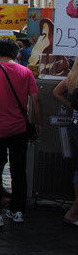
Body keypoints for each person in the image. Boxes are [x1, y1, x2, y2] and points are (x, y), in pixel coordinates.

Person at [0, 39, 41, 226]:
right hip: (19, 128)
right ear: (17, 53)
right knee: (18, 170)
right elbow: (36, 99)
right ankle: (18, 210)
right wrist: (38, 123)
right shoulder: (26, 71)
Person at [51, 62, 78, 226]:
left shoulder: (73, 77)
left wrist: (72, 106)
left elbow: (56, 92)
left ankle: (74, 210)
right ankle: (73, 211)